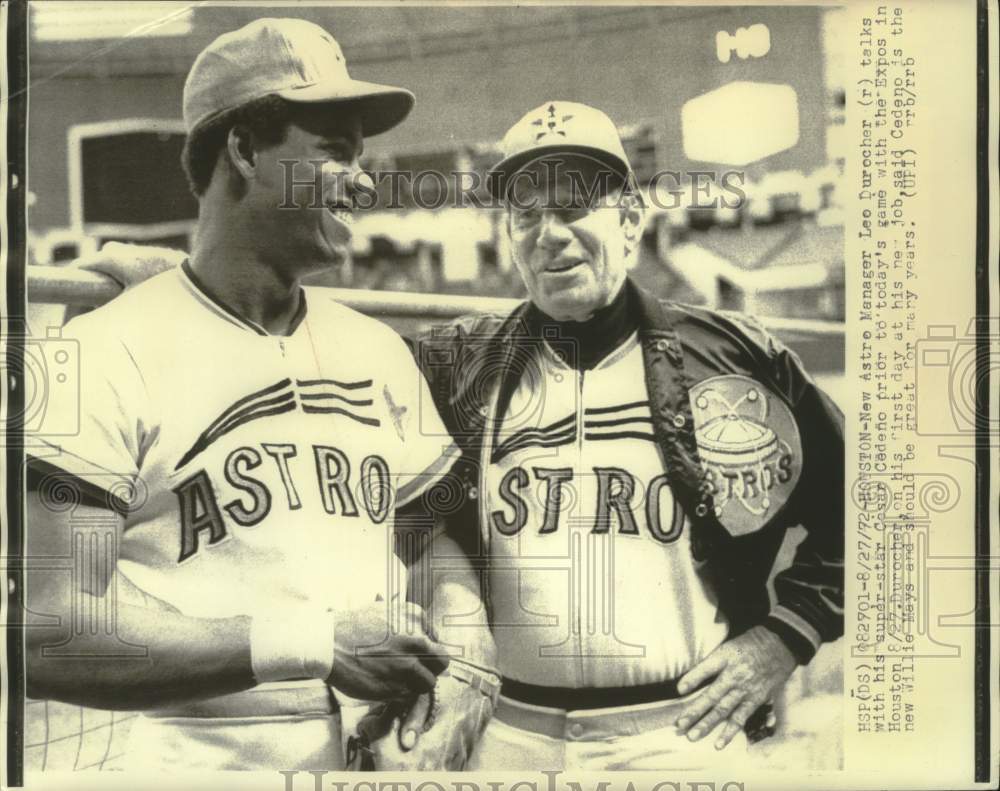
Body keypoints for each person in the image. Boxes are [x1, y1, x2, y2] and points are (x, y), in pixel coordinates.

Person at [62, 100, 845, 772]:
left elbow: (867, 509)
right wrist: (176, 283)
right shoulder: (456, 359)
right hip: (507, 732)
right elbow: (294, 348)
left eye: (574, 207)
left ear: (631, 218)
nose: (551, 235)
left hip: (675, 732)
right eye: (527, 215)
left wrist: (784, 636)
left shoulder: (731, 355)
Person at [24, 18, 468, 771]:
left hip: (366, 755)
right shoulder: (98, 349)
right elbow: (46, 627)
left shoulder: (379, 350)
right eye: (333, 151)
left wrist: (468, 643)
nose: (364, 180)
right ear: (244, 149)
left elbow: (435, 543)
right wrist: (311, 642)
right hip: (192, 754)